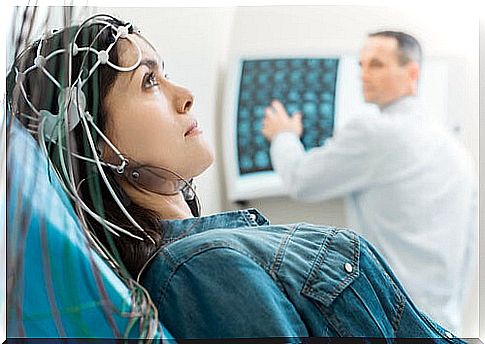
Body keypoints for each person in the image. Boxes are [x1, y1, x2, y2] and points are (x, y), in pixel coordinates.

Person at [7, 15, 466, 340]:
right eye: (148, 82)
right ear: (95, 145)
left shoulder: (211, 253)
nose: (186, 96)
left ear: (412, 74)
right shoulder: (198, 267)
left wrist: (285, 138)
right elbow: (303, 181)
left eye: (164, 76)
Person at [261, 31, 477, 333]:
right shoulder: (454, 148)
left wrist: (283, 135)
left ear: (411, 72)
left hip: (395, 322)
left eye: (376, 64)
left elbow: (301, 179)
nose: (364, 74)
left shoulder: (375, 131)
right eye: (361, 65)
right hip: (445, 326)